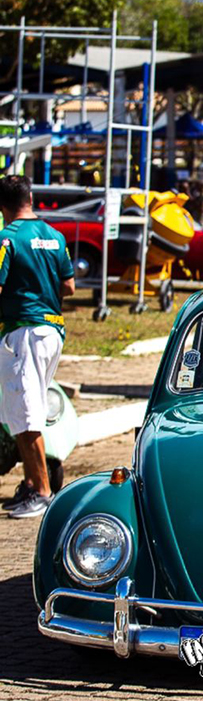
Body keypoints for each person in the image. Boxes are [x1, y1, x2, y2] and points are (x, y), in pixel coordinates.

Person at [0, 175, 75, 519]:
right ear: (30, 198)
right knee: (23, 411)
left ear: (3, 206)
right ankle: (32, 484)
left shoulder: (8, 238)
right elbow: (69, 286)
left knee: (26, 415)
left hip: (24, 332)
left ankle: (43, 492)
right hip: (52, 331)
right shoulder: (55, 236)